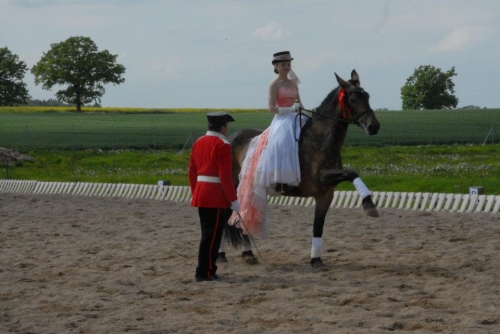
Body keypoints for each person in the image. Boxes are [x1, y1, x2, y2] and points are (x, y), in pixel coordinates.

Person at [233, 51, 309, 239]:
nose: (286, 66)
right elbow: (271, 108)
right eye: (283, 64)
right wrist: (289, 109)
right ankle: (281, 178)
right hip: (282, 118)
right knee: (282, 141)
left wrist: (300, 109)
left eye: (288, 63)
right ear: (276, 67)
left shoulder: (293, 83)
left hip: (295, 116)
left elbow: (300, 102)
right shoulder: (274, 85)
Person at [189, 111, 240, 282]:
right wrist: (233, 200)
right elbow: (224, 175)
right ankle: (203, 271)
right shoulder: (223, 144)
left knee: (208, 234)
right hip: (215, 195)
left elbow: (192, 172)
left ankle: (209, 269)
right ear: (223, 127)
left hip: (202, 192)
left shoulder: (198, 142)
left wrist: (195, 191)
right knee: (212, 236)